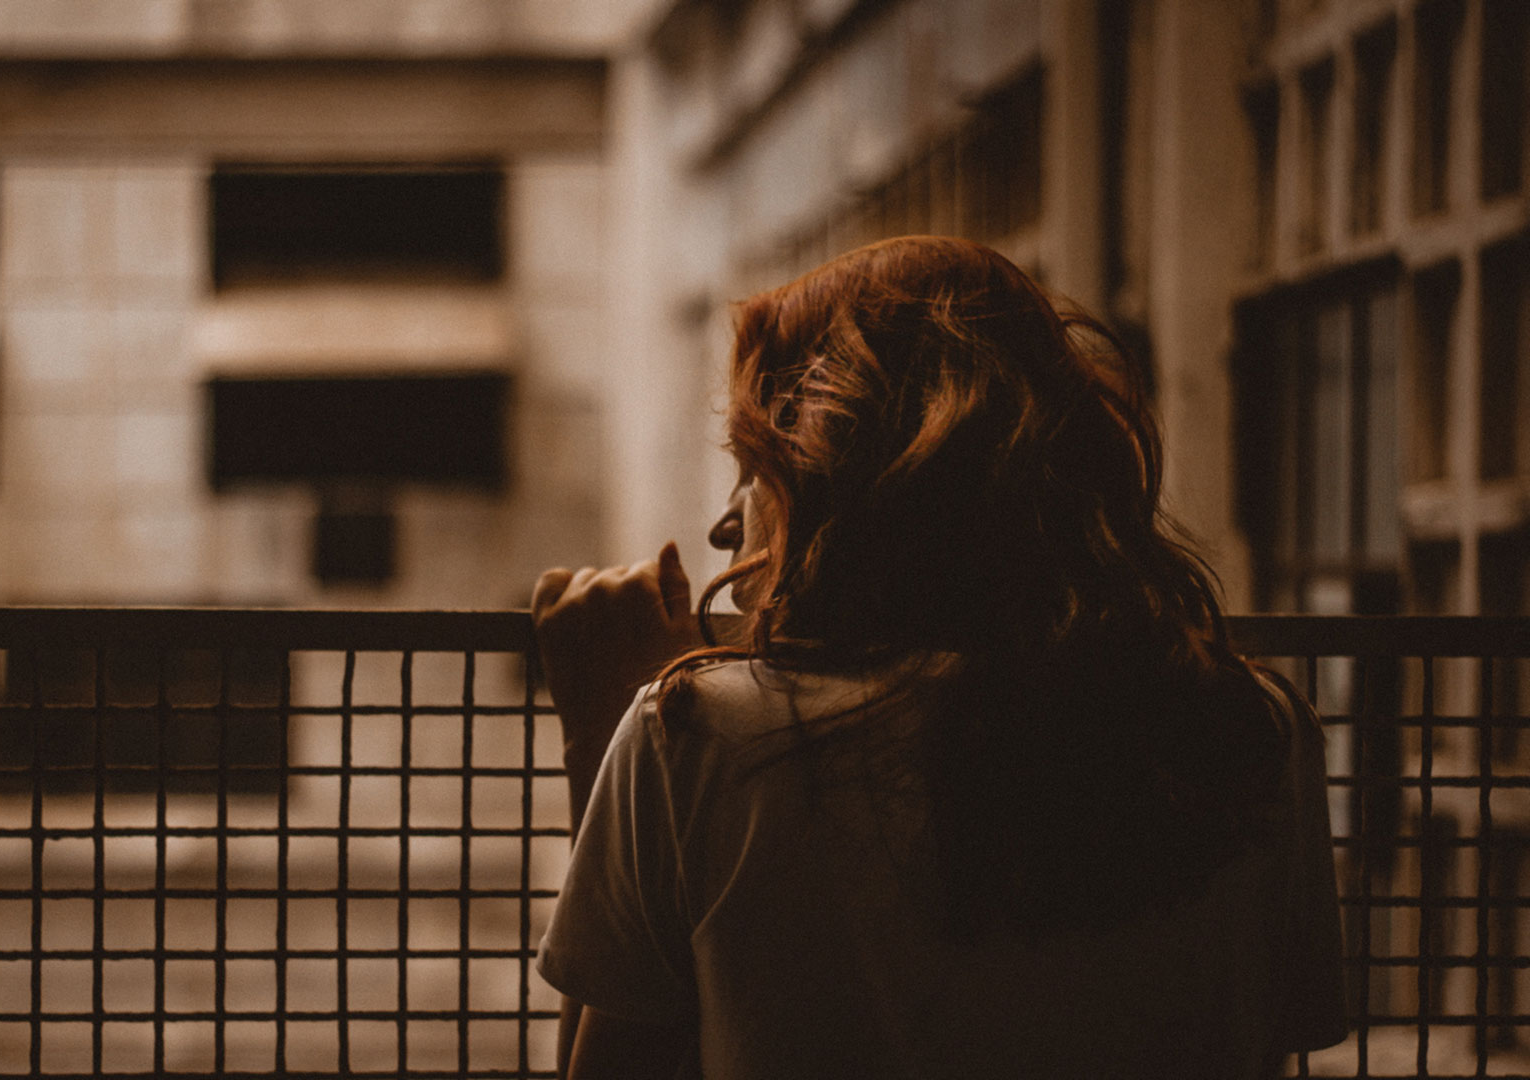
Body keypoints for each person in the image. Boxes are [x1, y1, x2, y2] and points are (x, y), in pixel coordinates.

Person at [529, 236, 1346, 1079]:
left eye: (754, 469)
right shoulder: (1254, 728)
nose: (725, 527)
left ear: (839, 468)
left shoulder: (696, 739)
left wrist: (599, 731)